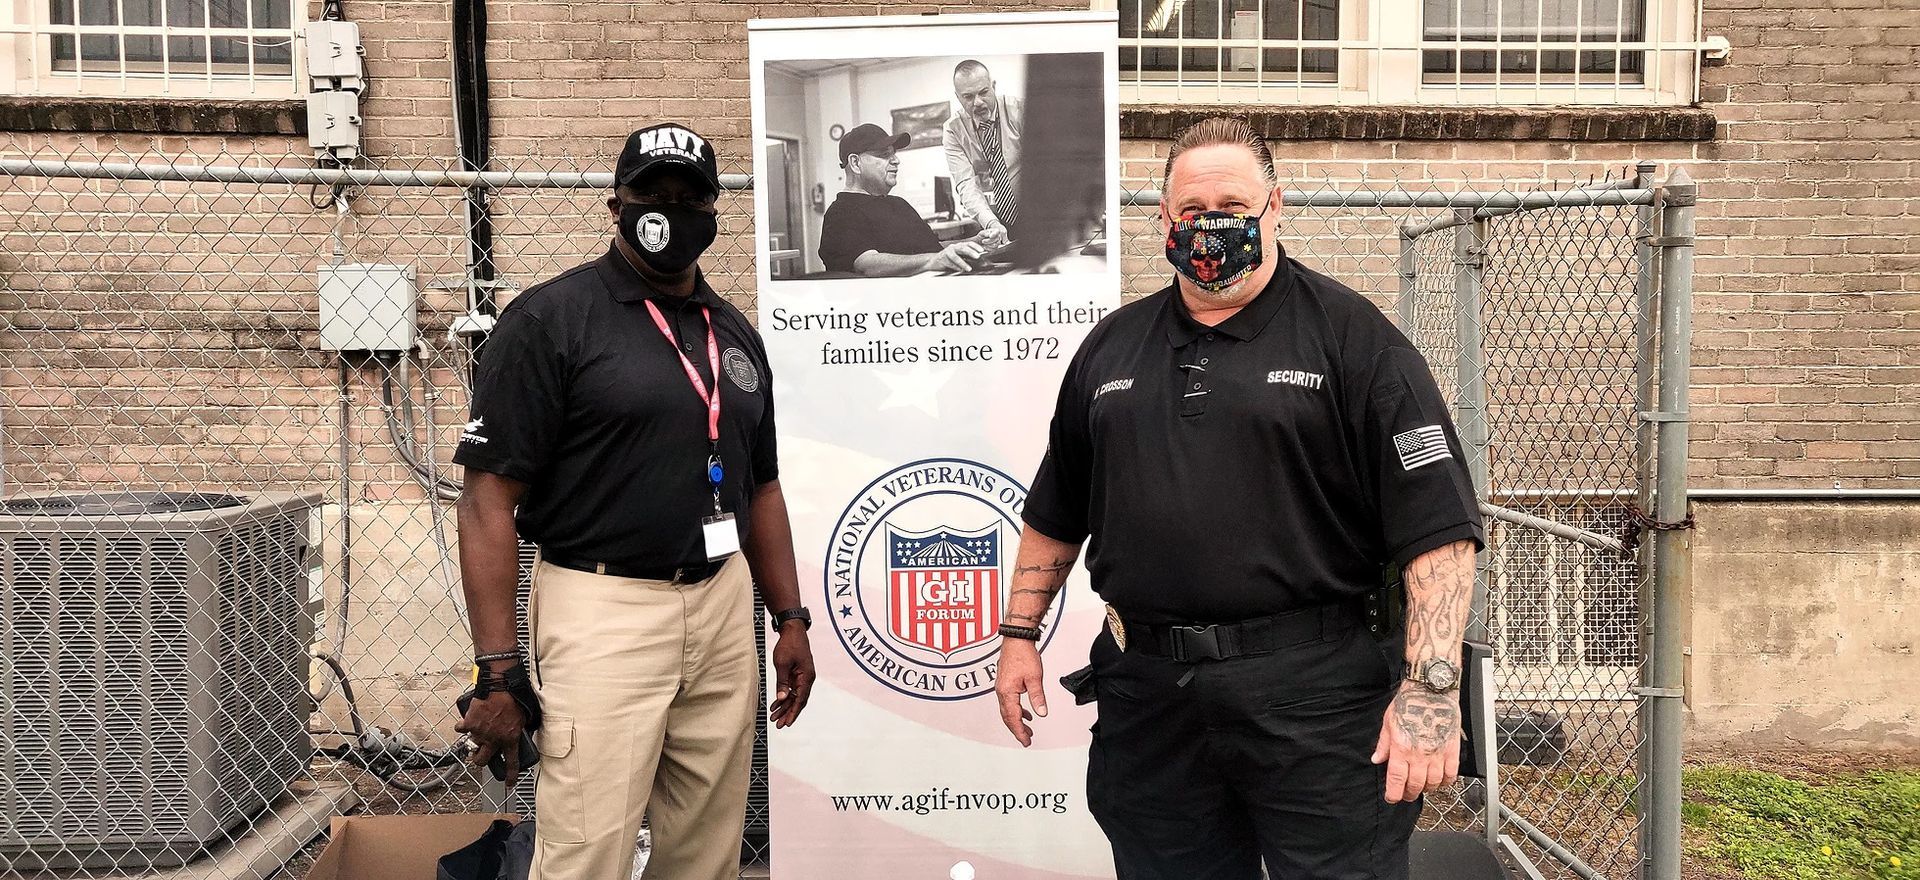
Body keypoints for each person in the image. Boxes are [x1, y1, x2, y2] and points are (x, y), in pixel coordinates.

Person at [992, 116, 1483, 880]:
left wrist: (1431, 689)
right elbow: (1057, 511)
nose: (1210, 225)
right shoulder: (1111, 349)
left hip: (1319, 704)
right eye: (1191, 211)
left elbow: (1438, 534)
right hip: (1151, 702)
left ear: (1275, 207)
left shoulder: (1356, 342)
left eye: (1232, 204)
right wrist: (1018, 634)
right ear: (1162, 217)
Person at [452, 121, 816, 880]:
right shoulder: (550, 320)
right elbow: (487, 499)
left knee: (707, 850)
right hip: (602, 605)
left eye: (691, 198)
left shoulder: (734, 334)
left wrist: (788, 618)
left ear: (716, 214)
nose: (671, 212)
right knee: (588, 850)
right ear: (615, 205)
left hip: (721, 605)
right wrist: (496, 668)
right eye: (652, 193)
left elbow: (764, 486)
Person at [818, 122, 985, 276]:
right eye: (884, 155)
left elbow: (932, 250)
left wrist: (975, 243)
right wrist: (931, 261)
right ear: (855, 163)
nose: (896, 161)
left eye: (894, 154)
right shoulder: (841, 212)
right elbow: (866, 263)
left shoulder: (899, 204)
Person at [942, 59, 1024, 245]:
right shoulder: (953, 130)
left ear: (993, 86)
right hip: (994, 219)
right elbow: (966, 184)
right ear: (958, 97)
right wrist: (991, 223)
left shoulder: (1020, 111)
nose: (978, 102)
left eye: (984, 92)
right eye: (968, 97)